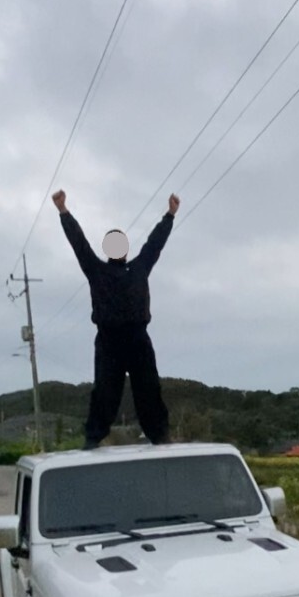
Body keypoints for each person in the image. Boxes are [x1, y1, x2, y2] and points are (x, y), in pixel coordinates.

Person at [52, 189, 180, 449]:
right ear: (108, 250)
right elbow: (79, 244)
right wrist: (63, 211)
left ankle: (160, 435)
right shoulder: (96, 269)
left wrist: (170, 215)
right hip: (109, 340)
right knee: (105, 392)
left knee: (148, 389)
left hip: (138, 338)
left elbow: (155, 243)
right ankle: (93, 438)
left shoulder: (140, 266)